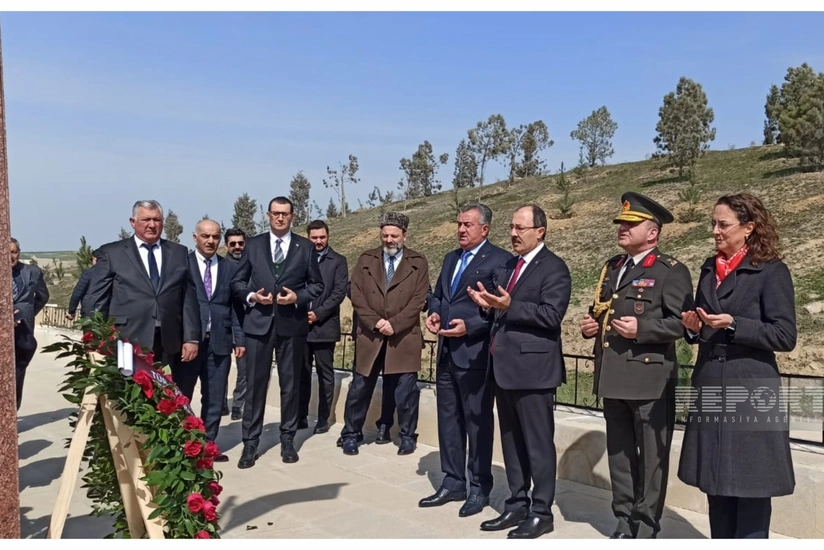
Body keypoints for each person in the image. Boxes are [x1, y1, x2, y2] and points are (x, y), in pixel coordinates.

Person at [678, 193, 797, 539]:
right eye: (713, 224)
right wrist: (693, 329)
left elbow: (785, 335)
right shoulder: (708, 268)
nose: (715, 231)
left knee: (752, 488)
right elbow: (704, 328)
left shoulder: (771, 271)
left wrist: (734, 324)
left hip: (751, 389)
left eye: (723, 224)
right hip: (711, 385)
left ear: (749, 228)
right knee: (716, 486)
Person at [579, 192, 694, 539]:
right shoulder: (613, 267)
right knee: (620, 454)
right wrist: (590, 326)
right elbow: (601, 310)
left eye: (631, 224)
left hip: (649, 378)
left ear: (653, 233)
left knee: (652, 458)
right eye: (621, 223)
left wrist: (642, 329)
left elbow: (683, 324)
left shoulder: (670, 271)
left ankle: (645, 524)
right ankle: (624, 517)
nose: (622, 228)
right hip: (613, 375)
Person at [467, 204, 571, 539]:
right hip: (504, 369)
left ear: (540, 231)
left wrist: (510, 306)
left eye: (520, 228)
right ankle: (517, 503)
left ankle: (541, 512)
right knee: (511, 443)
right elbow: (501, 312)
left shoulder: (554, 268)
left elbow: (550, 315)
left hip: (534, 372)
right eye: (511, 227)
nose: (513, 234)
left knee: (538, 445)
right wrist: (487, 307)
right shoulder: (509, 266)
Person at [420, 202, 511, 518]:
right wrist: (434, 313)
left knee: (477, 423)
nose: (461, 229)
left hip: (475, 356)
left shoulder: (499, 260)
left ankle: (479, 488)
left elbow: (499, 308)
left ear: (484, 229)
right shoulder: (450, 258)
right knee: (449, 420)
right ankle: (453, 481)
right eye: (458, 223)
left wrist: (470, 326)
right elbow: (438, 296)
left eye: (467, 224)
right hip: (447, 352)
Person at [230, 196, 323, 468]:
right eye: (275, 213)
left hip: (291, 325)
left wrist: (297, 297)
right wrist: (252, 297)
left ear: (292, 216)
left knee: (290, 386)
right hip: (258, 325)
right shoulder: (253, 245)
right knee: (255, 386)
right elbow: (237, 282)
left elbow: (316, 285)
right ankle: (250, 443)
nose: (280, 218)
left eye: (285, 213)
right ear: (268, 215)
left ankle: (288, 440)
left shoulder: (305, 247)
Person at [87, 200, 200, 395]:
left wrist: (191, 338)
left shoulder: (179, 253)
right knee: (128, 398)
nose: (152, 225)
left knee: (166, 397)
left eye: (157, 220)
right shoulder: (112, 253)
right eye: (146, 219)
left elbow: (188, 297)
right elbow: (96, 299)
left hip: (168, 340)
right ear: (133, 222)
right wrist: (95, 338)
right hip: (127, 340)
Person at [341, 212, 430, 456]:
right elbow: (356, 295)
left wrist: (395, 324)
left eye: (394, 235)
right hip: (371, 335)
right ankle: (351, 434)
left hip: (403, 336)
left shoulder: (418, 262)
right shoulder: (366, 259)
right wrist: (376, 322)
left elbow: (418, 299)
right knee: (360, 388)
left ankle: (407, 436)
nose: (389, 240)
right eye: (385, 235)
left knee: (405, 391)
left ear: (404, 236)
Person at [188, 220, 247, 462]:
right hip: (189, 342)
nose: (210, 241)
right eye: (205, 236)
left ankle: (207, 446)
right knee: (182, 396)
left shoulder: (228, 268)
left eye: (215, 236)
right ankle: (183, 445)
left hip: (220, 342)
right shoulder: (183, 265)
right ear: (195, 238)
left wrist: (239, 339)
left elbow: (235, 307)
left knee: (214, 398)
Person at [298, 220, 349, 435]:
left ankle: (323, 418)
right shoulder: (299, 259)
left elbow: (338, 292)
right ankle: (300, 415)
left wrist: (318, 313)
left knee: (325, 375)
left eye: (322, 237)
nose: (318, 241)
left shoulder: (338, 261)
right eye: (314, 238)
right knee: (301, 374)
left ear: (328, 236)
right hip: (300, 326)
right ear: (308, 237)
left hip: (324, 327)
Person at [11, 238, 50, 410]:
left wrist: (27, 313)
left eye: (14, 252)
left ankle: (12, 412)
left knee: (18, 371)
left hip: (23, 330)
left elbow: (43, 296)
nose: (11, 256)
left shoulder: (32, 272)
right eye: (6, 252)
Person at [223, 227, 248, 420]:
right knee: (220, 370)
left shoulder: (251, 266)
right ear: (226, 246)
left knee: (243, 371)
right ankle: (221, 403)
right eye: (233, 244)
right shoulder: (221, 267)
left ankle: (238, 405)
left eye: (240, 243)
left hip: (243, 325)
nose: (237, 247)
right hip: (223, 326)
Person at [66, 253, 97, 321]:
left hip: (90, 312)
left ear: (95, 259)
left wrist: (71, 311)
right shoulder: (112, 273)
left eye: (91, 259)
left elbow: (77, 293)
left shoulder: (88, 273)